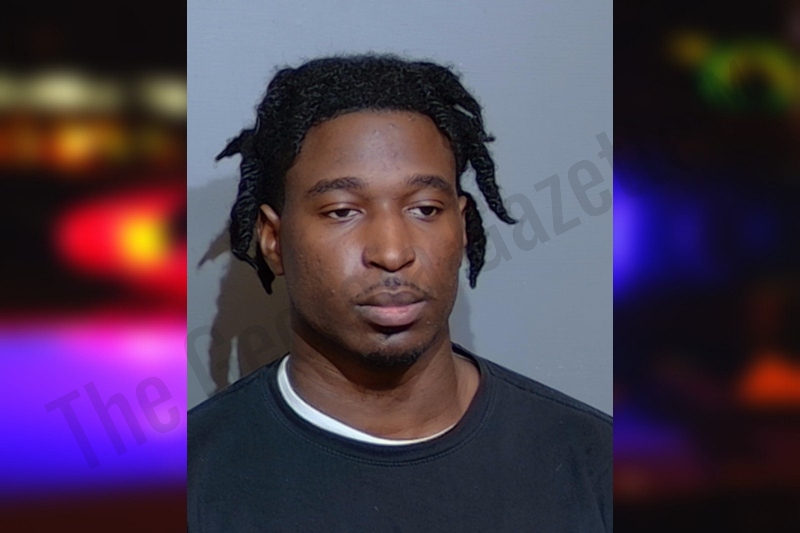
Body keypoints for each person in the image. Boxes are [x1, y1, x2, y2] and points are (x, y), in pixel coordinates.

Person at [188, 54, 612, 532]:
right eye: (342, 211)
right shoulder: (188, 483)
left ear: (462, 227)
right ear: (273, 241)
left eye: (425, 209)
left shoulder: (594, 465)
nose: (392, 252)